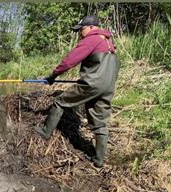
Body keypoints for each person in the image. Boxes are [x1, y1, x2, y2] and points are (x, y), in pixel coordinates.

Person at [33, 15, 120, 168]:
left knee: (60, 102)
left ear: (92, 27)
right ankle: (99, 160)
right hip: (108, 87)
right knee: (100, 122)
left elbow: (70, 61)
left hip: (92, 84)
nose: (80, 32)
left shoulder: (92, 39)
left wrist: (53, 75)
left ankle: (46, 132)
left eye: (82, 29)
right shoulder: (109, 42)